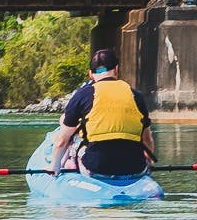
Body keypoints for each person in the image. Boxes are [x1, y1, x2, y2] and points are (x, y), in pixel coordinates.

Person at [48, 49, 156, 179]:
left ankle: (69, 163)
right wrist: (149, 162)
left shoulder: (83, 95)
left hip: (97, 169)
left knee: (74, 143)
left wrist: (54, 166)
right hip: (134, 168)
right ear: (116, 69)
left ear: (91, 74)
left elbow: (62, 141)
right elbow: (147, 139)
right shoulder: (136, 96)